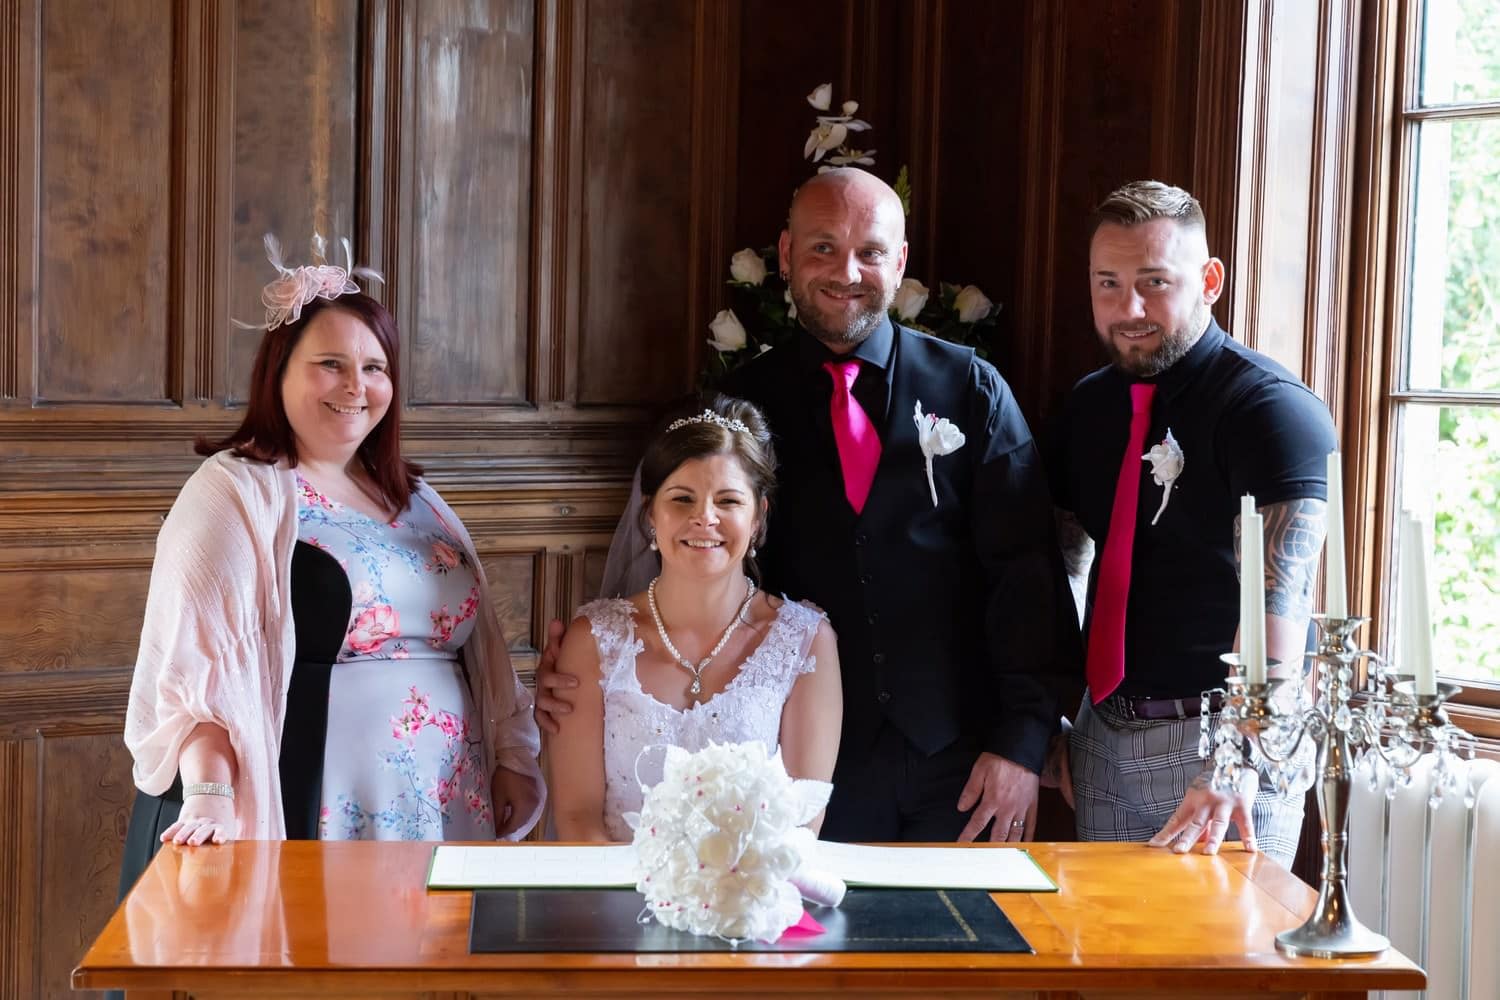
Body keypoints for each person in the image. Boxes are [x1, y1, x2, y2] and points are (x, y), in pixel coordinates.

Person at [541, 168, 1079, 843]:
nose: (846, 271)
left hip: (965, 766)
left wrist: (1022, 744)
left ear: (901, 261)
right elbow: (700, 565)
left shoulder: (972, 390)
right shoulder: (737, 408)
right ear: (788, 255)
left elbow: (1027, 578)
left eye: (870, 252)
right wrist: (587, 675)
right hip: (801, 770)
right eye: (823, 247)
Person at [119, 236, 544, 891]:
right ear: (279, 370)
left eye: (375, 367)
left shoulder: (417, 495)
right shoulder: (238, 490)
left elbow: (480, 649)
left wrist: (511, 755)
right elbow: (197, 667)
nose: (357, 386)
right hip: (318, 794)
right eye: (331, 364)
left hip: (444, 797)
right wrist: (209, 789)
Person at [1050, 180, 1335, 867]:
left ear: (1210, 281)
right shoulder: (1086, 409)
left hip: (1226, 747)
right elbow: (1063, 567)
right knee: (1111, 968)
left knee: (1222, 970)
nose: (1130, 309)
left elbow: (1280, 606)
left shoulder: (1272, 412)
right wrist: (1056, 721)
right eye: (1108, 284)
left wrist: (1234, 761)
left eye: (1154, 282)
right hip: (1102, 736)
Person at [548, 396, 842, 841]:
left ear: (759, 518)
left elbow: (800, 825)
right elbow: (578, 820)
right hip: (612, 899)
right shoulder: (594, 640)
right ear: (650, 514)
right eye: (682, 498)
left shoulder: (806, 642)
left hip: (750, 901)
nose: (704, 518)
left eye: (728, 500)